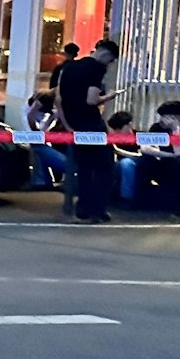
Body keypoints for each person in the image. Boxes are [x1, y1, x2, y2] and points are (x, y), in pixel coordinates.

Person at [56, 38, 120, 222]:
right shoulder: (96, 69)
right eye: (110, 61)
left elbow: (59, 99)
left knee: (84, 168)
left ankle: (82, 207)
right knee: (103, 167)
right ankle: (97, 209)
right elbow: (91, 100)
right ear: (107, 54)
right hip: (91, 124)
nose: (108, 65)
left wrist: (68, 125)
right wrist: (109, 96)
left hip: (74, 123)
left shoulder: (69, 67)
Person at [132, 101, 180, 215]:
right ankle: (139, 202)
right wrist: (169, 155)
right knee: (144, 161)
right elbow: (145, 148)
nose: (161, 120)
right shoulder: (156, 127)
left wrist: (175, 131)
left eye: (165, 117)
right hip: (163, 162)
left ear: (176, 118)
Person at [24, 90, 70, 189]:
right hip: (72, 162)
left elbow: (31, 116)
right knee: (38, 145)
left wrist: (37, 132)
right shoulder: (48, 101)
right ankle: (41, 180)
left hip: (71, 164)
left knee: (37, 146)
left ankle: (40, 181)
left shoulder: (62, 122)